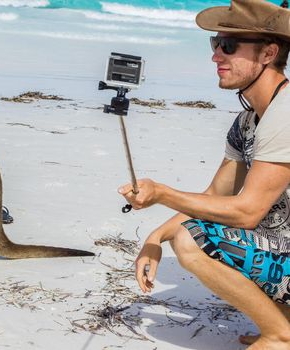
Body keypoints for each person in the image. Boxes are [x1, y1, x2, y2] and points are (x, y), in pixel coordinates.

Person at [117, 0, 290, 348]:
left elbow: (247, 212)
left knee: (192, 239)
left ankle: (279, 336)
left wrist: (162, 194)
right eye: (215, 44)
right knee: (186, 230)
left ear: (268, 53)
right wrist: (154, 237)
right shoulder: (247, 123)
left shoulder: (285, 113)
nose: (216, 57)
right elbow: (215, 196)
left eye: (228, 46)